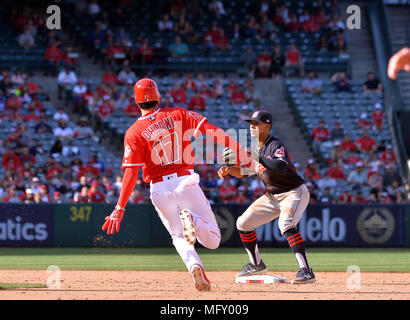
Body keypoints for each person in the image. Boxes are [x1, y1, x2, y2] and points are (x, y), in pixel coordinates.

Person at [101, 78, 251, 292]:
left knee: (178, 236)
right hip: (184, 181)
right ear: (158, 97)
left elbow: (131, 173)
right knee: (213, 241)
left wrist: (119, 208)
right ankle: (192, 219)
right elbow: (212, 131)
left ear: (136, 103)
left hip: (159, 189)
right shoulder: (178, 114)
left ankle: (194, 267)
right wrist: (239, 151)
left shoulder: (133, 132)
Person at [218, 109, 315, 284]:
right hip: (272, 196)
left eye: (257, 123)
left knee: (285, 224)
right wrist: (230, 170)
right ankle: (256, 264)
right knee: (243, 223)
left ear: (267, 126)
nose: (252, 127)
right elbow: (245, 174)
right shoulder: (255, 148)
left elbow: (280, 167)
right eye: (251, 124)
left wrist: (256, 156)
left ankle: (306, 271)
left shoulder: (275, 145)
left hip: (294, 192)